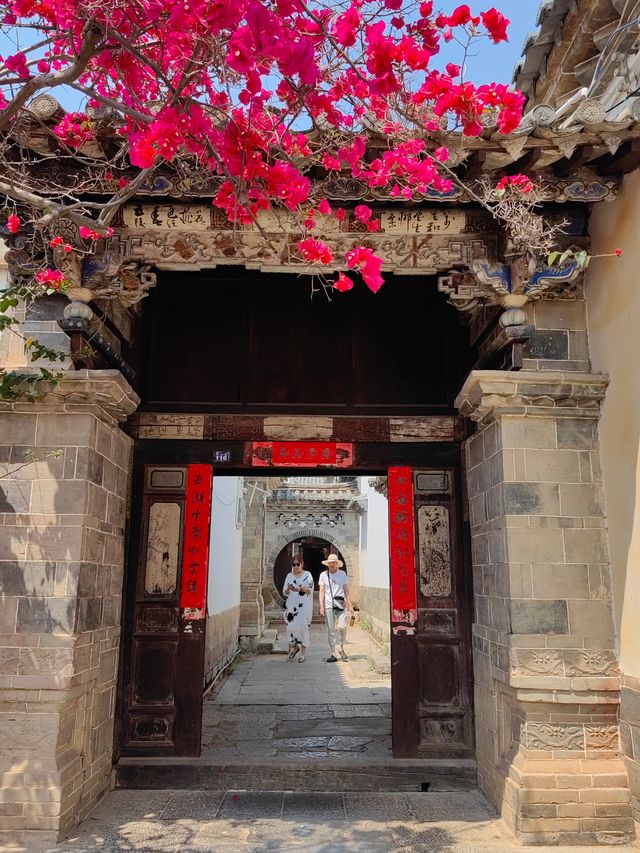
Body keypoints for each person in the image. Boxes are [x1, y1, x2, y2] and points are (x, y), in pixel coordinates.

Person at [318, 553, 352, 663]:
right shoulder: (323, 575)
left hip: (341, 604)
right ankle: (333, 652)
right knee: (331, 630)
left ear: (337, 564)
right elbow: (322, 591)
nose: (332, 564)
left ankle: (341, 647)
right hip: (329, 605)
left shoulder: (342, 574)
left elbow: (346, 589)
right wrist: (321, 605)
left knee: (342, 626)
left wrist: (350, 604)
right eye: (330, 563)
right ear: (328, 564)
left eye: (334, 562)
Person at [282, 557, 313, 662]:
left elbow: (311, 590)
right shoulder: (289, 576)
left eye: (298, 564)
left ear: (302, 564)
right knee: (291, 627)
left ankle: (302, 654)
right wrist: (288, 589)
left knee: (303, 627)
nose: (296, 567)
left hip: (303, 606)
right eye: (294, 564)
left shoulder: (307, 575)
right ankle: (295, 647)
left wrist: (302, 589)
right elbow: (284, 592)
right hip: (292, 606)